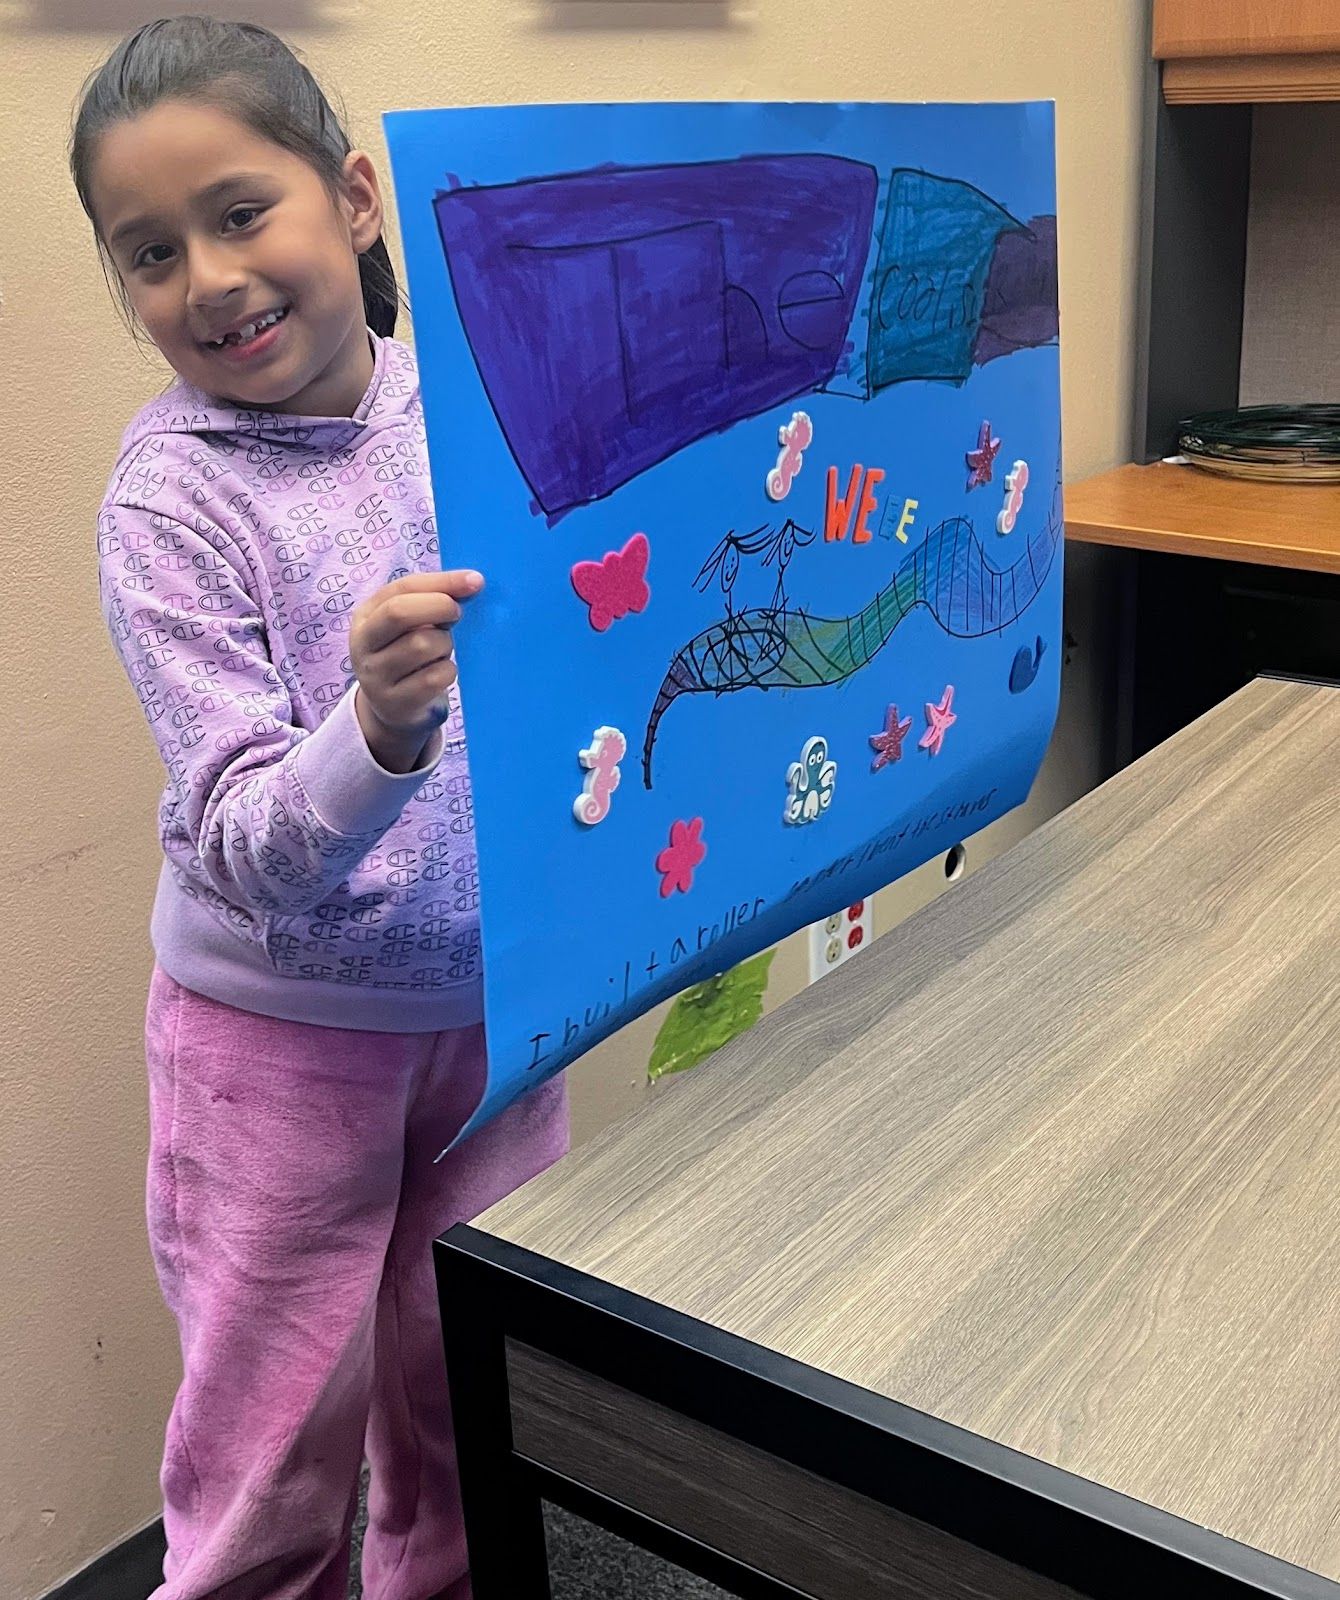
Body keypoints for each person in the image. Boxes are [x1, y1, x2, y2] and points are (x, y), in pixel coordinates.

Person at [71, 17, 569, 1599]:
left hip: (491, 1019)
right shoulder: (171, 504)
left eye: (238, 212)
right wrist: (374, 728)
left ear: (353, 197)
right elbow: (245, 841)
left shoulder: (473, 410)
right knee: (276, 1435)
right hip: (273, 1047)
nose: (206, 279)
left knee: (469, 1389)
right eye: (149, 253)